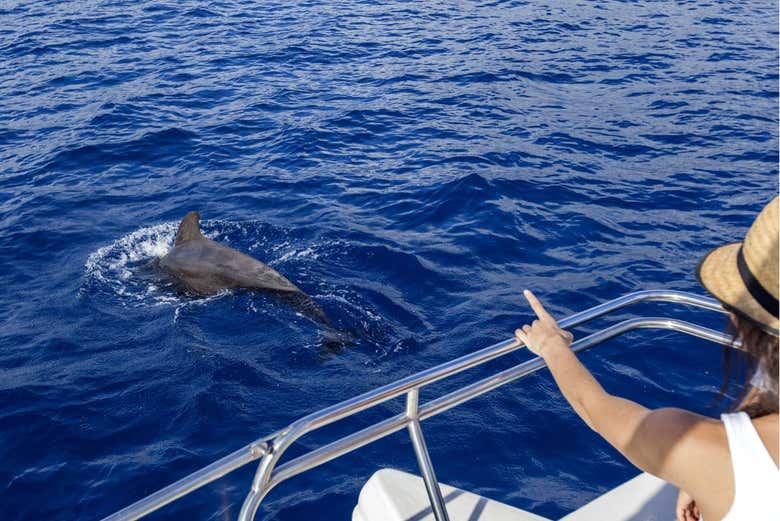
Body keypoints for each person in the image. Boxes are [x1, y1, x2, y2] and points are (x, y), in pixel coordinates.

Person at [515, 196, 779, 521]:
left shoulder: (691, 443)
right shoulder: (710, 455)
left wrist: (552, 346)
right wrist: (707, 471)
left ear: (745, 322)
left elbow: (595, 409)